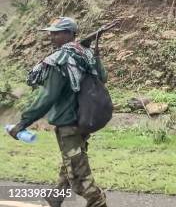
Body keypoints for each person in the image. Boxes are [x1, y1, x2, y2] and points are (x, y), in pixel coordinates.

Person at [7, 17, 107, 207]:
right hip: (84, 121)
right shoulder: (84, 54)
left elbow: (48, 97)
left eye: (57, 32)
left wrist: (22, 123)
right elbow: (102, 77)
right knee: (69, 165)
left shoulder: (60, 60)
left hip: (69, 124)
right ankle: (54, 200)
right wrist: (95, 55)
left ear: (70, 34)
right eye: (51, 32)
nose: (51, 36)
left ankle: (98, 202)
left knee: (79, 177)